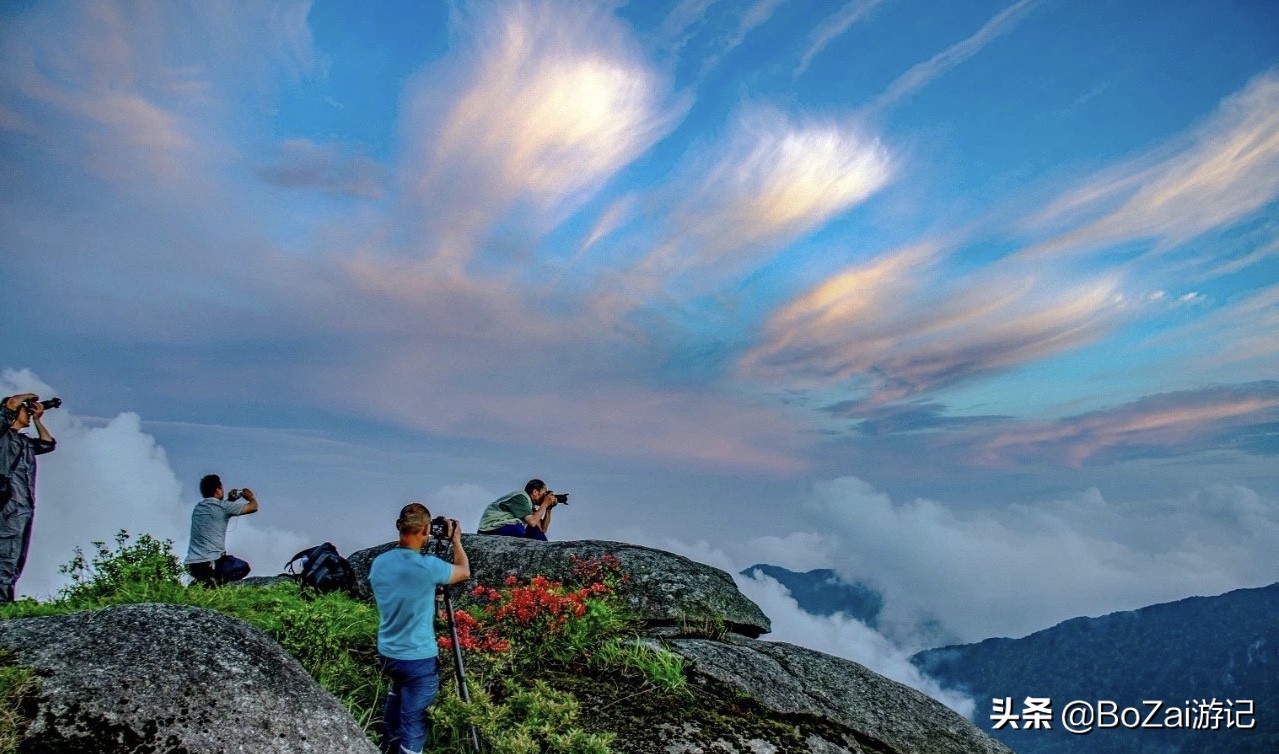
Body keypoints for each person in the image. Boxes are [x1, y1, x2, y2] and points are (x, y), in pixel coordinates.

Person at [370, 502, 470, 754]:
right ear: (426, 529)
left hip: (388, 653)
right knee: (414, 724)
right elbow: (464, 572)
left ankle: (386, 746)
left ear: (398, 527)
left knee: (397, 695)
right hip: (418, 658)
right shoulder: (428, 567)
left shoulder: (380, 563)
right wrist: (456, 541)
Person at [0, 394, 57, 603]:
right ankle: (2, 602)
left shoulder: (24, 442)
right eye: (26, 410)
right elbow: (10, 405)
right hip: (7, 505)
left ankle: (7, 597)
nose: (29, 412)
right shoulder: (2, 436)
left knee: (17, 556)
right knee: (5, 552)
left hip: (24, 506)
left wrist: (38, 420)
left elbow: (47, 444)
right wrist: (25, 399)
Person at [184, 474, 257, 587]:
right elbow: (253, 507)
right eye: (222, 488)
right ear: (217, 490)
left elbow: (217, 511)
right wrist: (250, 497)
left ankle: (202, 582)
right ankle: (213, 583)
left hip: (192, 566)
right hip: (211, 564)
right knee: (243, 567)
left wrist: (230, 500)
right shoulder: (224, 507)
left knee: (222, 564)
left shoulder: (198, 508)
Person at [476, 478, 561, 540]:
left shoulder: (529, 504)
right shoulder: (521, 497)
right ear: (535, 492)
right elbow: (532, 522)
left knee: (536, 533)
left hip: (501, 526)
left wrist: (548, 509)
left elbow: (542, 529)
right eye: (544, 494)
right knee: (518, 529)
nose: (545, 497)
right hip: (489, 527)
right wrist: (545, 504)